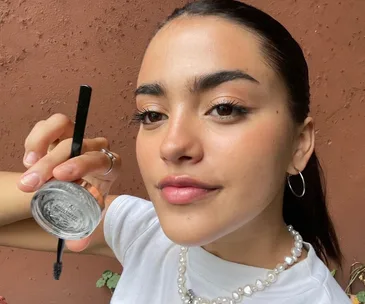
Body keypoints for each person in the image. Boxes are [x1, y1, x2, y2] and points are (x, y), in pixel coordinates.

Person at [0, 1, 352, 303]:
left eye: (224, 108)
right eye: (153, 114)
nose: (171, 145)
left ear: (299, 144)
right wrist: (57, 184)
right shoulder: (144, 233)